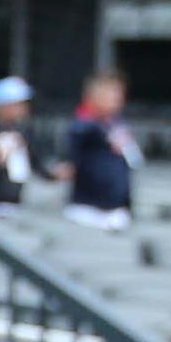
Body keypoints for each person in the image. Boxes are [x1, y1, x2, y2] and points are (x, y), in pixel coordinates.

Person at [63, 68, 140, 228]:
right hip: (86, 209)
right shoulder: (84, 125)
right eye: (110, 95)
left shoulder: (118, 124)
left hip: (116, 208)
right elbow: (78, 137)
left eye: (119, 95)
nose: (116, 100)